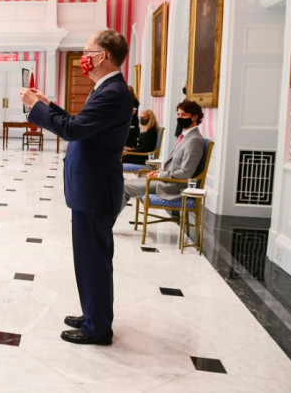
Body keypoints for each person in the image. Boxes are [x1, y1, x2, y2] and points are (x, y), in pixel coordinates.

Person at [20, 29, 132, 346]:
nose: (84, 56)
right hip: (90, 189)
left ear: (104, 56)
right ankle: (92, 314)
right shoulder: (106, 88)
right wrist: (47, 104)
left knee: (93, 261)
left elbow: (73, 130)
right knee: (88, 259)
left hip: (95, 191)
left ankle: (98, 328)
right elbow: (78, 123)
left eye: (87, 50)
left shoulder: (112, 92)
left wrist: (36, 109)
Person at [120, 101, 205, 212]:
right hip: (164, 180)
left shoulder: (195, 140)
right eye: (178, 114)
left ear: (194, 117)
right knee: (122, 183)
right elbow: (173, 165)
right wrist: (157, 173)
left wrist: (160, 174)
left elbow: (186, 173)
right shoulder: (185, 136)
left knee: (123, 187)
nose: (179, 118)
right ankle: (105, 223)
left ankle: (105, 224)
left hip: (172, 187)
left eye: (183, 115)